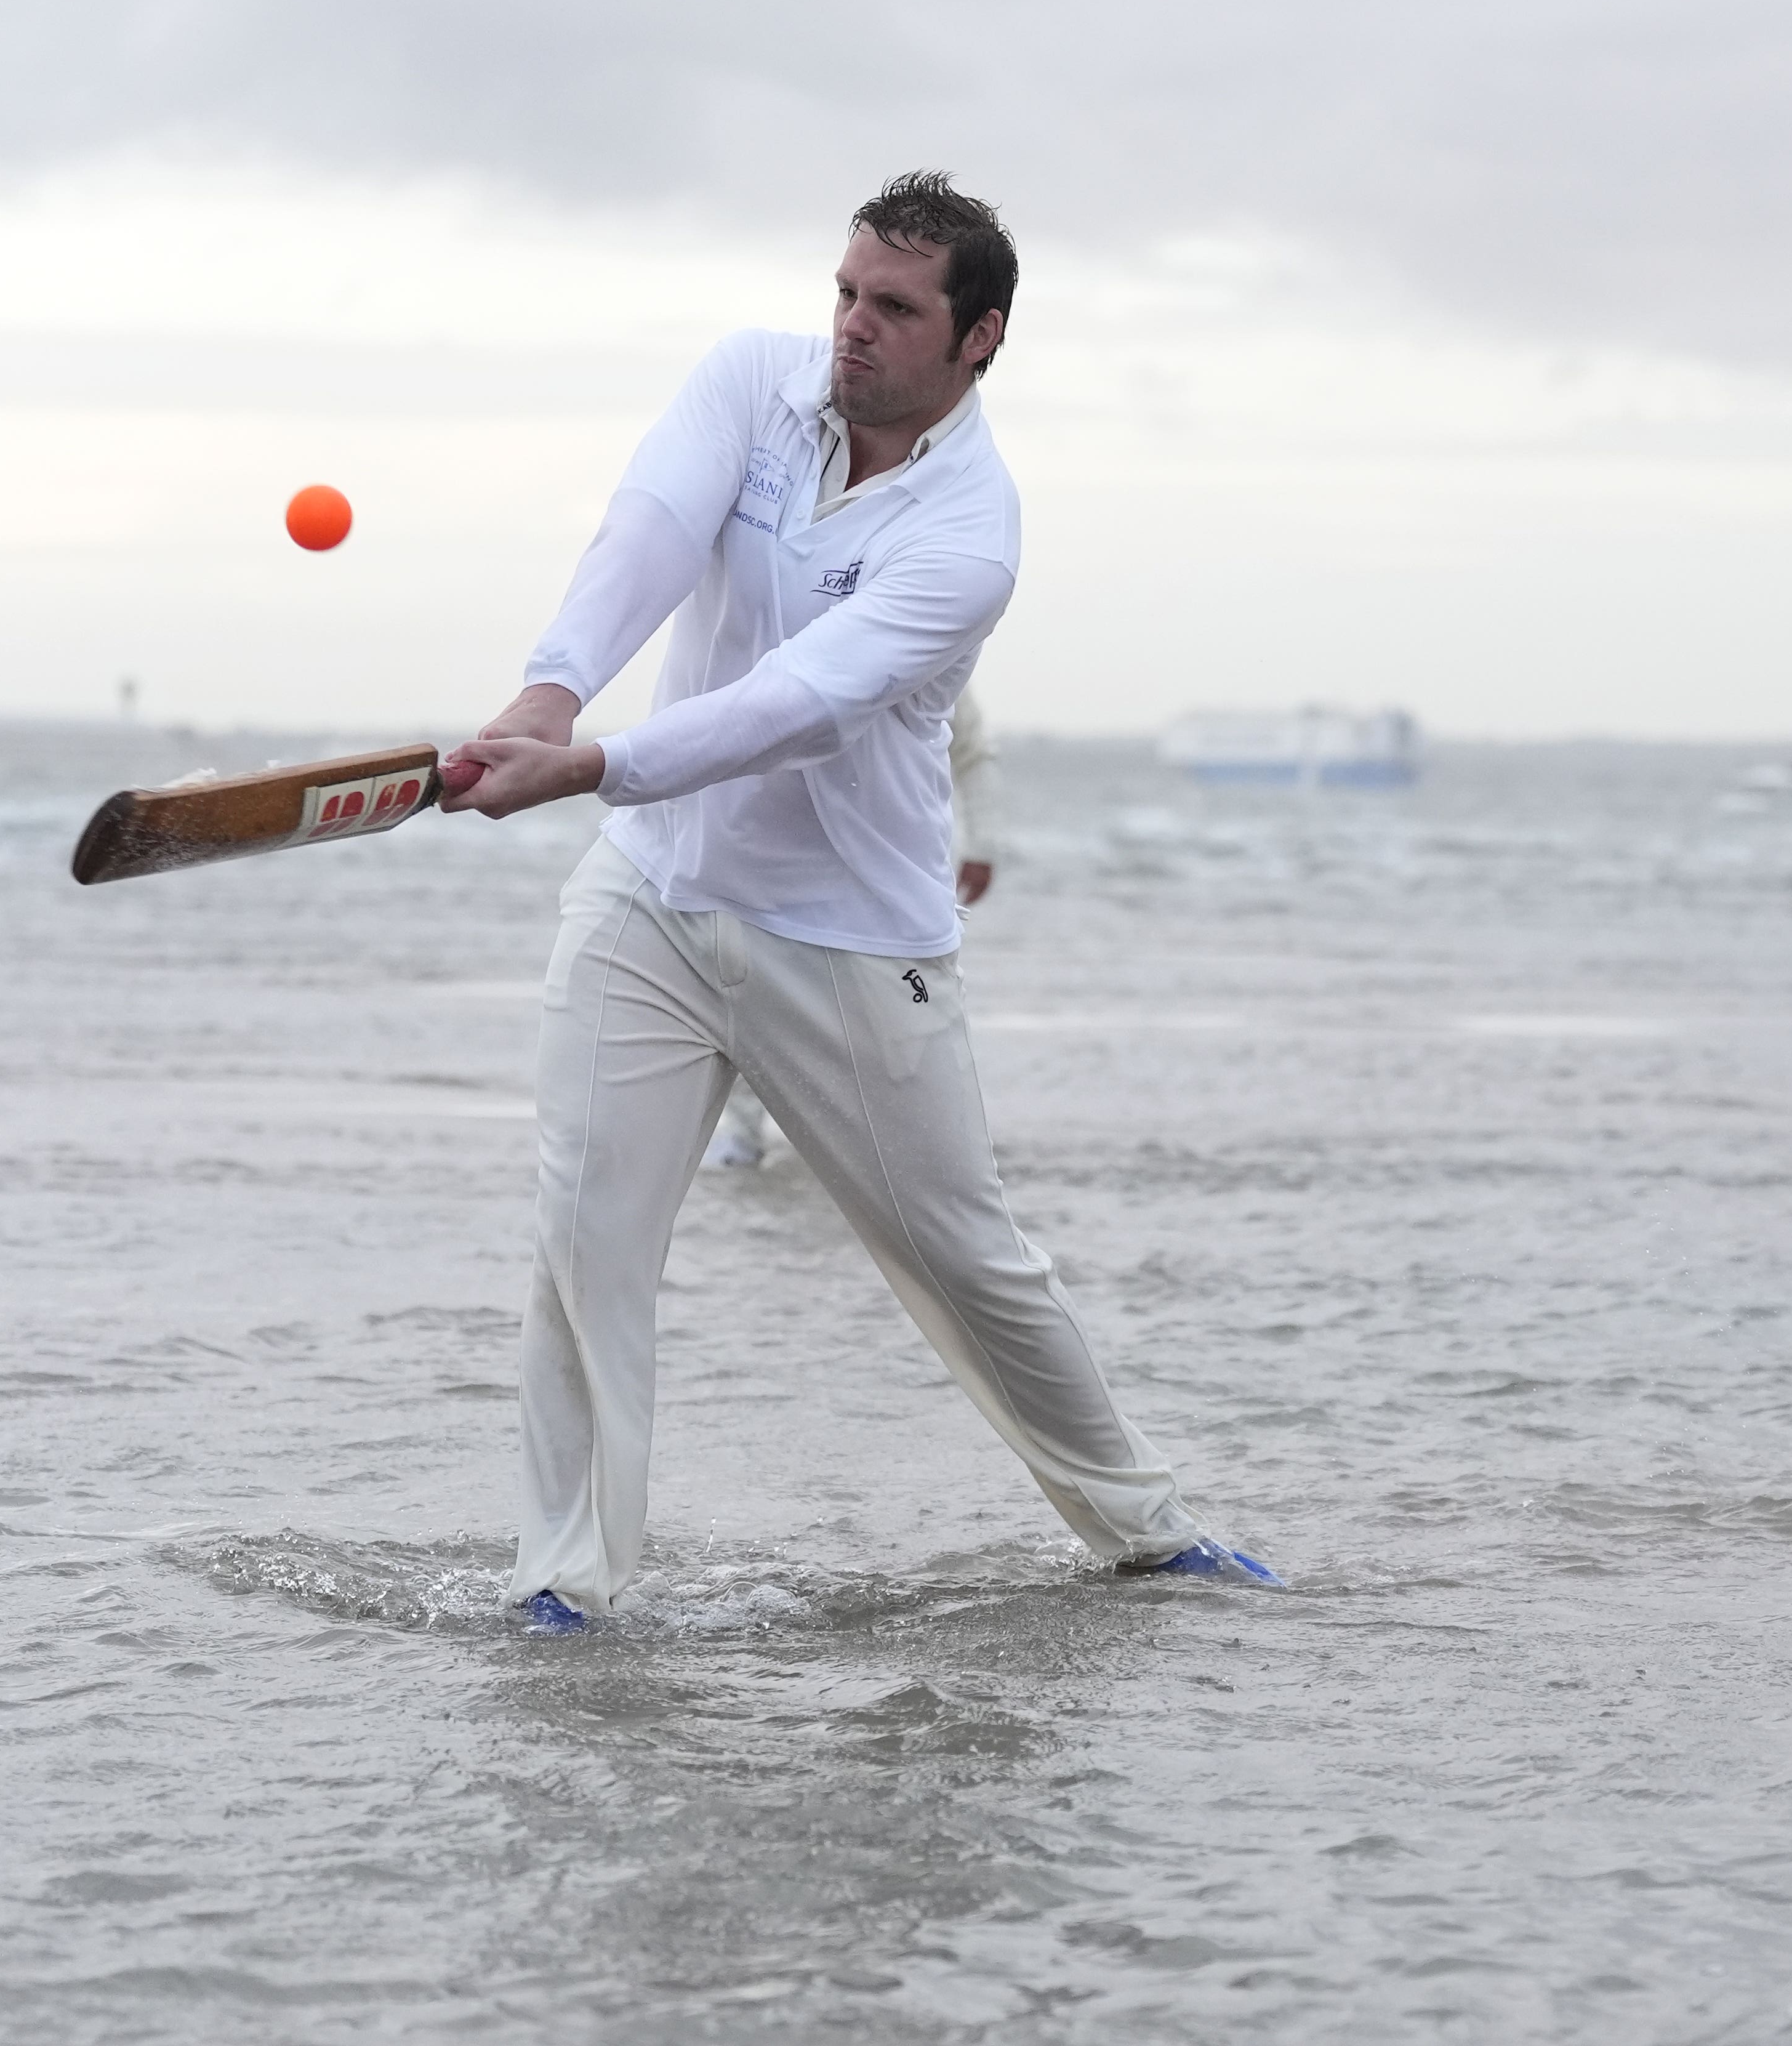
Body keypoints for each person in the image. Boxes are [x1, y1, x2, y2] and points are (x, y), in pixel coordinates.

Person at [441, 172, 1273, 1631]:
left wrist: (582, 765)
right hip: (650, 900)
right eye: (844, 293)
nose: (852, 329)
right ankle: (561, 1585)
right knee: (584, 1236)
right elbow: (646, 534)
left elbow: (795, 706)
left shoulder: (970, 535)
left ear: (980, 340)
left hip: (849, 939)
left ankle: (1144, 1529)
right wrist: (548, 689)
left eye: (894, 309)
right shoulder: (749, 383)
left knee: (966, 1257)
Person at [705, 679, 995, 1170]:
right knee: (752, 992)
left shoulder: (917, 642)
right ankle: (744, 1138)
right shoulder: (769, 645)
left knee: (904, 1005)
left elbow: (971, 749)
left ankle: (922, 1142)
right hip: (775, 861)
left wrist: (984, 846)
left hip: (894, 871)